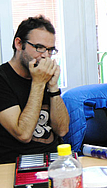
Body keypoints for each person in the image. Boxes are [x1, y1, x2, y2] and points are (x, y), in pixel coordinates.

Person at [0, 15, 69, 163]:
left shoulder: (42, 75)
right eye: (39, 47)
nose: (45, 56)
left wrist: (53, 86)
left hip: (53, 161)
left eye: (50, 50)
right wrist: (38, 83)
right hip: (16, 163)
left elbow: (62, 130)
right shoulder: (3, 79)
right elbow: (23, 134)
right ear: (19, 44)